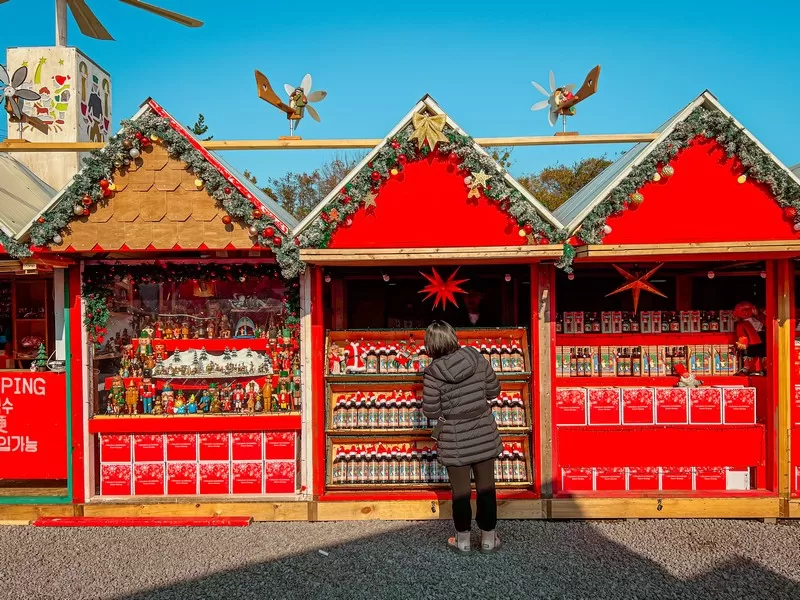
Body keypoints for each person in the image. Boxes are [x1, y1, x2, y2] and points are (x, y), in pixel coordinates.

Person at [422, 320, 503, 554]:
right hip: (483, 432)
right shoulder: (476, 358)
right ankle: (488, 539)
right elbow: (494, 391)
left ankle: (463, 540)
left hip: (453, 437)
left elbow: (431, 411)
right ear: (453, 337)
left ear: (431, 346)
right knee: (486, 487)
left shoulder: (433, 373)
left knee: (460, 492)